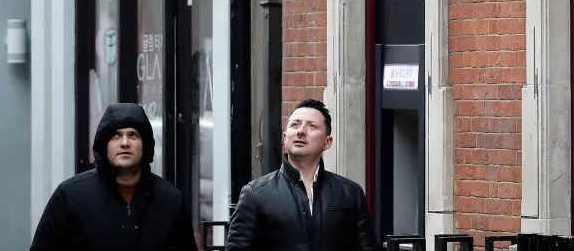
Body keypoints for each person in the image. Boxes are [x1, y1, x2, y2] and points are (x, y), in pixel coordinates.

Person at [30, 102, 196, 251]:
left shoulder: (170, 201)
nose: (125, 143)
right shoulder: (70, 196)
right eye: (116, 135)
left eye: (133, 135)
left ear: (145, 145)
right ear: (104, 145)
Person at [225, 98, 379, 251]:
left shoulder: (350, 193)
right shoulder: (256, 193)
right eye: (295, 125)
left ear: (327, 142)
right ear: (285, 138)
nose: (300, 131)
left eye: (312, 126)